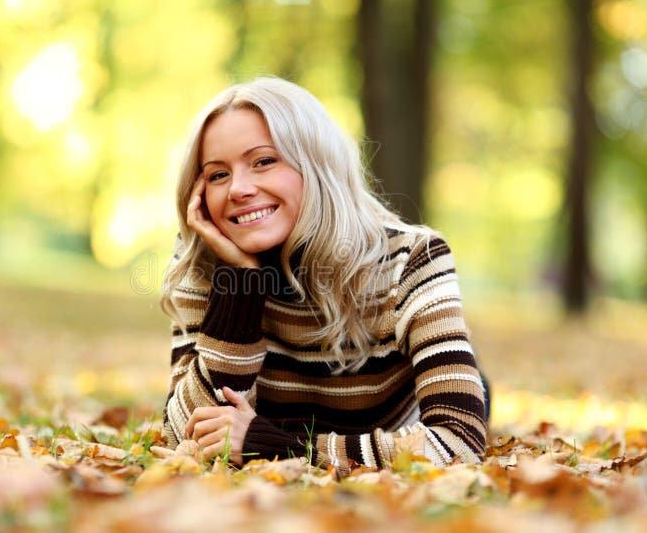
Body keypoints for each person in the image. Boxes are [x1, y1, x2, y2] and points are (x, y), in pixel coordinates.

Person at [156, 77, 487, 474]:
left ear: (315, 164)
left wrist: (277, 447)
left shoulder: (413, 258)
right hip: (351, 444)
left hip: (401, 418)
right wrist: (241, 283)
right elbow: (186, 438)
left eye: (263, 161)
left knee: (472, 390)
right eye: (217, 174)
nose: (239, 189)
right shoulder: (207, 264)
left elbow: (457, 442)